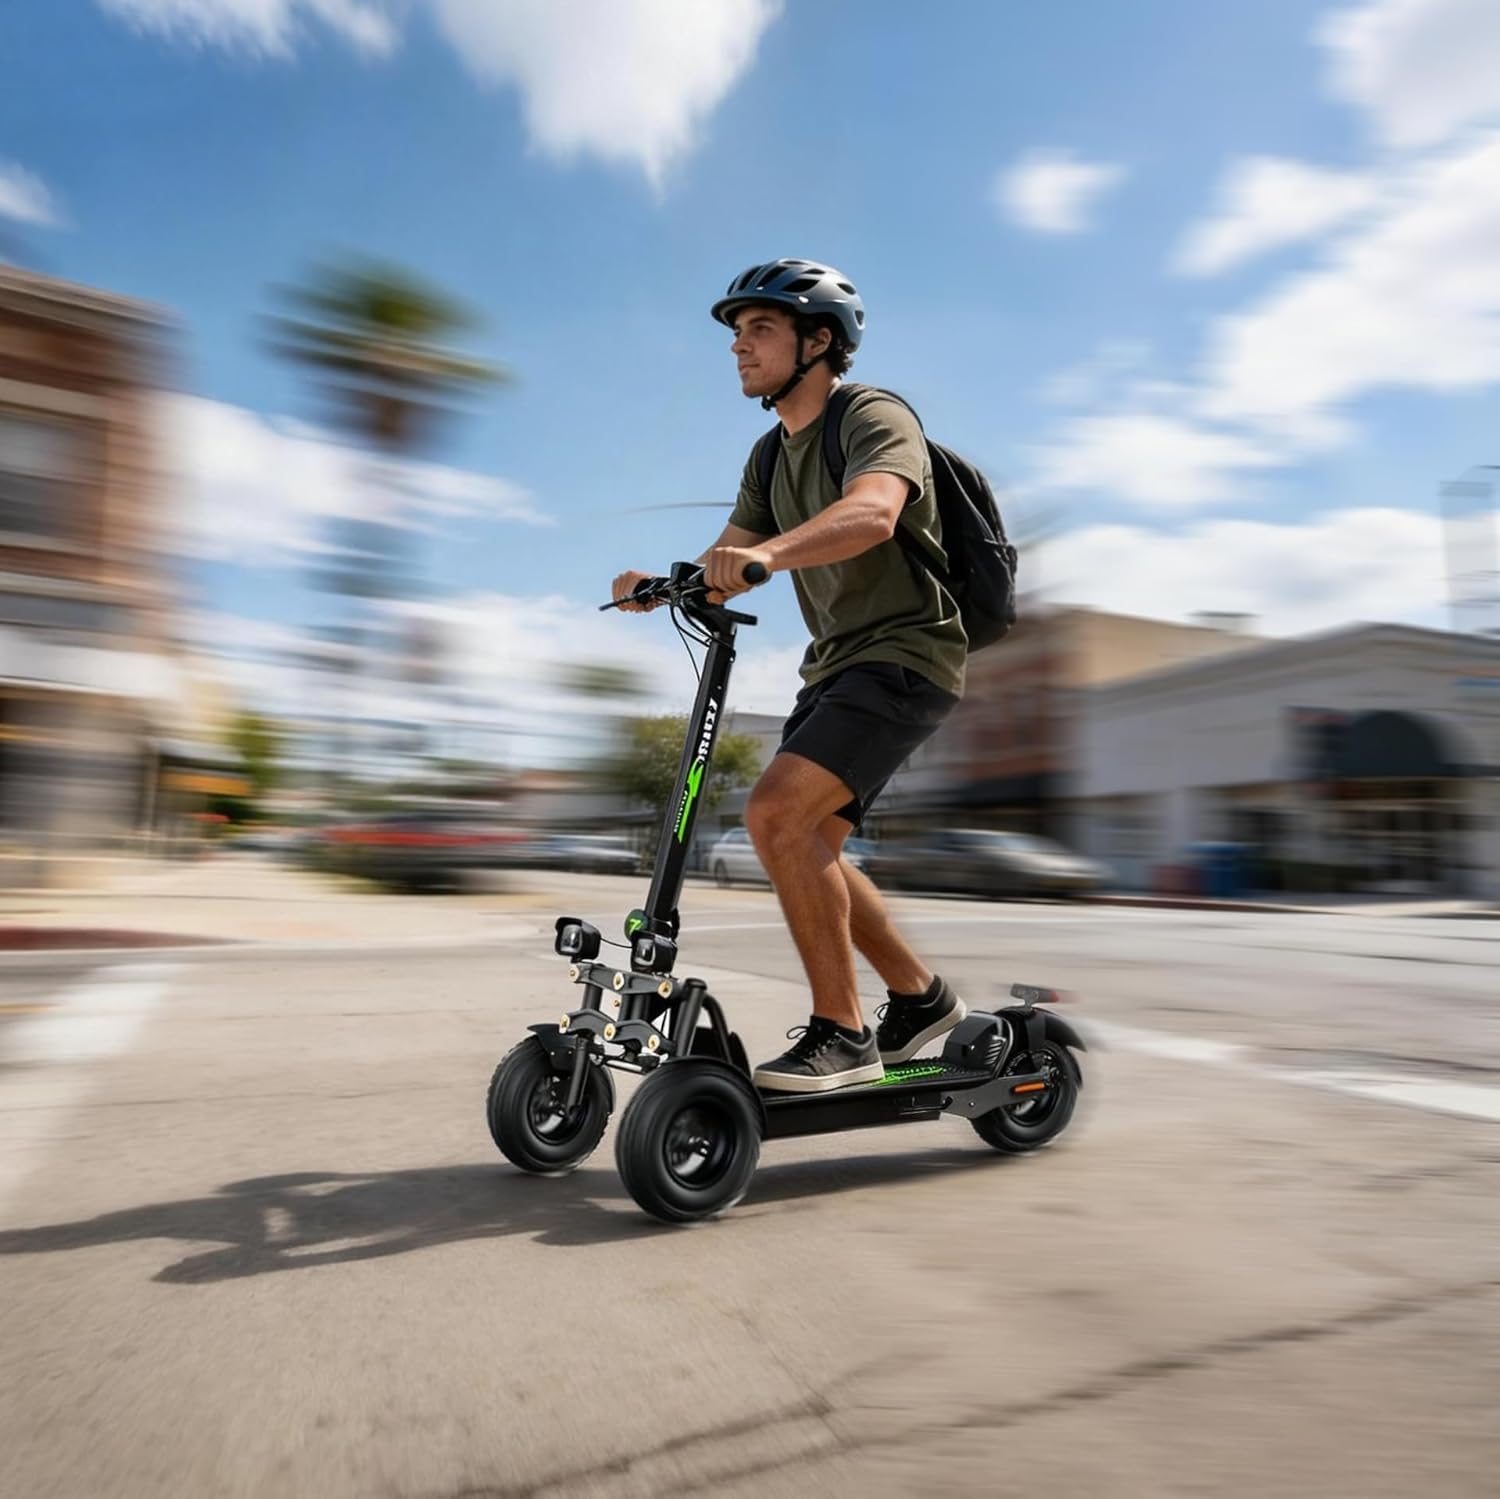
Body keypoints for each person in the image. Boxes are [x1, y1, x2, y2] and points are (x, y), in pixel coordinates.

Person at [612, 259, 967, 1093]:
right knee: (808, 845)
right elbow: (723, 558)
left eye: (759, 329)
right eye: (736, 333)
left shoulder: (872, 414)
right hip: (836, 666)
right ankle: (922, 1000)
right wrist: (660, 585)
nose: (739, 346)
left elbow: (875, 511)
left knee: (773, 815)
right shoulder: (770, 455)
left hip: (908, 655)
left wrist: (767, 555)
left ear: (819, 341)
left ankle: (843, 1033)